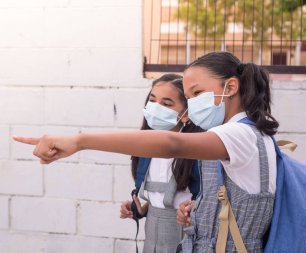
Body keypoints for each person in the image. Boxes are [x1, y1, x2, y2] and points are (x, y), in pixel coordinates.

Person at [14, 51, 279, 252]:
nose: (194, 105)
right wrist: (198, 209)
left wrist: (80, 141)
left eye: (197, 93)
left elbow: (171, 145)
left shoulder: (240, 134)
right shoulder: (249, 133)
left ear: (230, 88)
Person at [119, 73, 203, 253]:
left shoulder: (197, 150)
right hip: (152, 236)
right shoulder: (145, 149)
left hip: (186, 235)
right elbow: (162, 199)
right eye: (152, 100)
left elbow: (202, 199)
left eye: (166, 104)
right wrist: (141, 210)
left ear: (186, 114)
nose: (157, 108)